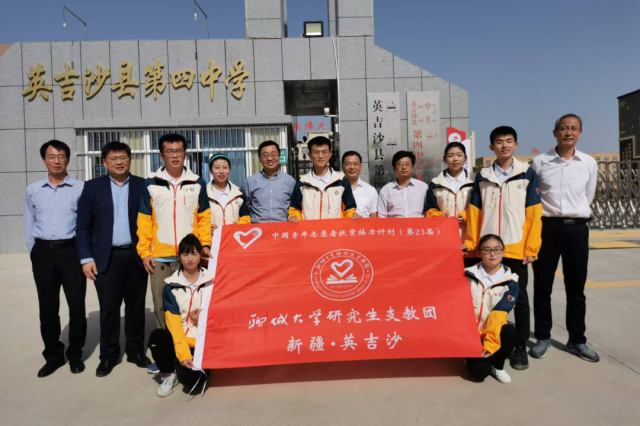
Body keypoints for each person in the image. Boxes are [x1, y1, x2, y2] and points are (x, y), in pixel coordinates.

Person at [463, 126, 542, 371]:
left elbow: (534, 214)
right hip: (488, 249)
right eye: (499, 141)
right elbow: (474, 213)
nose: (504, 145)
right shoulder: (483, 176)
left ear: (516, 145)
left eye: (509, 141)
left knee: (520, 299)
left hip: (515, 248)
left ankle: (520, 346)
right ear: (492, 147)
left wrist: (531, 248)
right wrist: (472, 244)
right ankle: (480, 338)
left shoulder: (526, 174)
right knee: (480, 296)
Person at [137, 133, 212, 373]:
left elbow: (203, 218)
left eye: (179, 151)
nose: (175, 156)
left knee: (193, 306)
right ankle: (166, 356)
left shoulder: (197, 182)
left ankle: (192, 350)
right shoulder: (151, 183)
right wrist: (144, 252)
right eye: (169, 152)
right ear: (162, 155)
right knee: (163, 308)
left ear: (185, 154)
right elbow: (144, 221)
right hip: (160, 257)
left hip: (190, 256)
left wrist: (205, 245)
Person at [76, 141, 150, 377]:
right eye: (113, 158)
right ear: (105, 162)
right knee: (109, 309)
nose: (119, 162)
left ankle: (136, 351)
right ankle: (108, 356)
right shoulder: (92, 187)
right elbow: (83, 226)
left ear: (130, 160)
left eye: (123, 157)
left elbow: (153, 221)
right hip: (105, 258)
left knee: (136, 307)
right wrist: (86, 258)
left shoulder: (143, 186)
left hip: (136, 255)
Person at [529, 114, 599, 362]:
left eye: (573, 128)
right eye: (564, 128)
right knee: (542, 287)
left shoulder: (588, 163)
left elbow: (588, 195)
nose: (568, 132)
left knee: (576, 289)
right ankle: (543, 337)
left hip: (577, 229)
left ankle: (577, 340)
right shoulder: (540, 162)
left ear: (580, 133)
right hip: (546, 228)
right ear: (555, 132)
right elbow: (533, 196)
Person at [24, 140, 87, 377]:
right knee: (48, 307)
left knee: (77, 306)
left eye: (61, 156)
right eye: (51, 157)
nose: (57, 161)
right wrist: (34, 253)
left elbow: (85, 224)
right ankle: (53, 356)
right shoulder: (33, 190)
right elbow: (29, 224)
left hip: (71, 251)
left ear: (68, 159)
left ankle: (75, 355)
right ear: (44, 160)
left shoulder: (80, 188)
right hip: (43, 253)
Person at [148, 234, 214, 398]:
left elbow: (220, 314)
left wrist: (200, 320)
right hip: (179, 340)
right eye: (185, 254)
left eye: (194, 254)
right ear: (179, 256)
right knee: (157, 337)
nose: (190, 259)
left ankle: (183, 368)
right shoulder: (170, 286)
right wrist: (184, 356)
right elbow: (175, 324)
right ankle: (169, 372)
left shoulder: (212, 281)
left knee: (195, 382)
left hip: (202, 341)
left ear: (201, 255)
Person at [464, 234, 519, 384]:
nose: (492, 254)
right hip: (470, 333)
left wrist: (489, 345)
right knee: (480, 373)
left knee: (509, 332)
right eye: (487, 250)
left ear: (503, 252)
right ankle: (471, 355)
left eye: (497, 249)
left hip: (492, 332)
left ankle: (498, 365)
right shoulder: (466, 275)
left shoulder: (511, 283)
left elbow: (497, 316)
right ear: (479, 253)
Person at [424, 142, 475, 266]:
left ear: (465, 158)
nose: (455, 159)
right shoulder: (436, 183)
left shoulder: (475, 181)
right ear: (445, 159)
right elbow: (429, 209)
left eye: (459, 155)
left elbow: (480, 207)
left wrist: (466, 215)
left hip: (470, 239)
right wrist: (439, 216)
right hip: (444, 239)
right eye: (451, 155)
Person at [288, 136, 359, 221]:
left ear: (330, 154)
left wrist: (352, 214)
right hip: (310, 229)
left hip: (335, 229)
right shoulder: (302, 183)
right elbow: (295, 209)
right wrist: (294, 217)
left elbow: (349, 209)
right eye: (316, 152)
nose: (320, 156)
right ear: (310, 155)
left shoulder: (341, 181)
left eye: (324, 152)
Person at [242, 140, 296, 223]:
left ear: (279, 156)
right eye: (265, 155)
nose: (270, 158)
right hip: (258, 228)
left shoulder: (289, 181)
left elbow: (295, 206)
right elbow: (245, 207)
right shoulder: (250, 181)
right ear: (260, 158)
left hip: (282, 228)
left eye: (273, 154)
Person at [377, 151, 428, 218]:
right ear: (394, 168)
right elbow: (381, 216)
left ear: (412, 167)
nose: (404, 167)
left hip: (418, 224)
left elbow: (429, 211)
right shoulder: (386, 190)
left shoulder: (423, 187)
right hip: (394, 224)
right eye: (400, 164)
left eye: (407, 164)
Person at [207, 153, 251, 230]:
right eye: (217, 168)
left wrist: (239, 225)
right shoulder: (204, 193)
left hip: (233, 236)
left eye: (225, 167)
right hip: (212, 237)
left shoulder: (239, 193)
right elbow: (198, 217)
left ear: (229, 169)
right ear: (211, 170)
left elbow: (246, 216)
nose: (221, 171)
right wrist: (206, 228)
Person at [342, 151, 378, 218]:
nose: (352, 167)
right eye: (348, 164)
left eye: (356, 164)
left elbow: (374, 216)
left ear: (361, 166)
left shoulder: (371, 190)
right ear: (342, 166)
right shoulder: (335, 188)